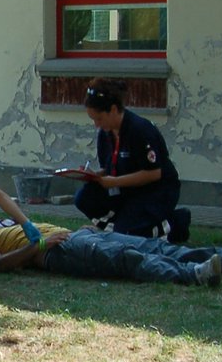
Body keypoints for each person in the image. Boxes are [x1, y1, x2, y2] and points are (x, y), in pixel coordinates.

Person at [0, 216, 222, 287]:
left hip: (75, 238)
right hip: (57, 251)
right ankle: (194, 275)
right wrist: (40, 244)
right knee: (126, 259)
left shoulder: (4, 222)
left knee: (151, 244)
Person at [73, 78, 189, 241]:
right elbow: (110, 167)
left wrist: (114, 182)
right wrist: (93, 176)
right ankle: (118, 226)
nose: (96, 125)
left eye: (99, 119)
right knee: (84, 197)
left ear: (113, 110)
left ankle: (175, 224)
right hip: (125, 190)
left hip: (154, 192)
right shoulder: (105, 134)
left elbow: (154, 173)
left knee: (128, 236)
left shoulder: (140, 130)